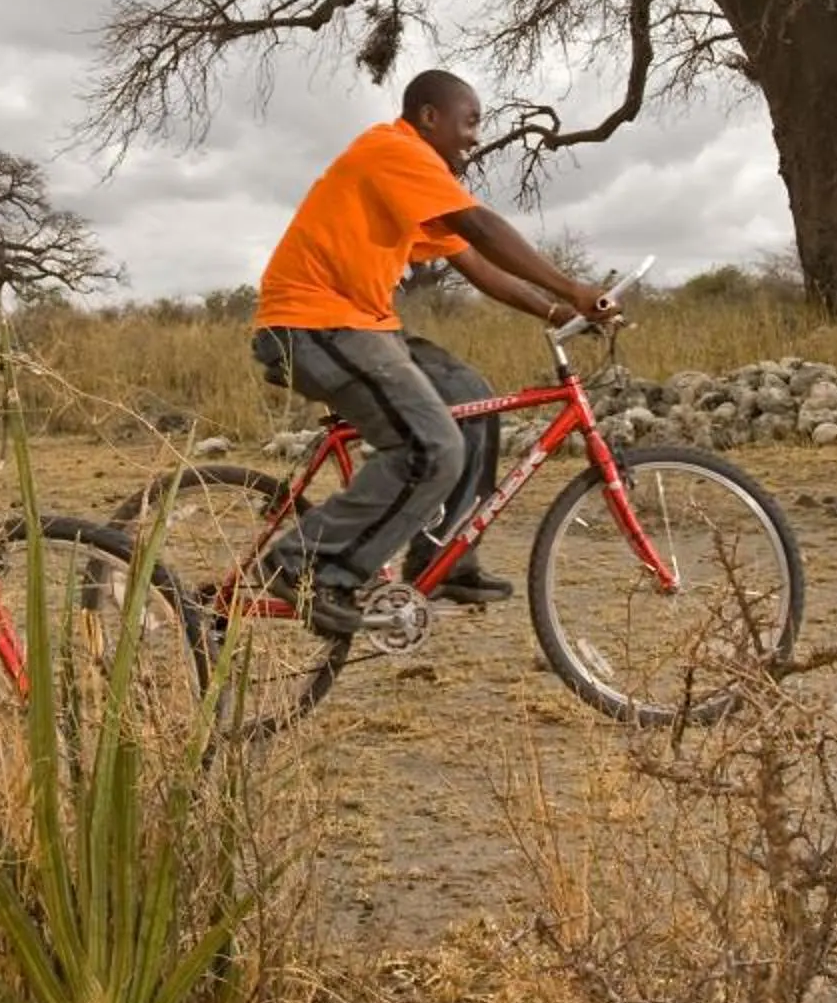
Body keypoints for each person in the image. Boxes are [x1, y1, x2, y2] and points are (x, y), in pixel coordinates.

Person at [249, 69, 614, 637]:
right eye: (469, 122)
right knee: (432, 446)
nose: (474, 137)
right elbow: (481, 226)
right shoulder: (395, 151)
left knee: (472, 399)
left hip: (364, 326)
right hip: (311, 325)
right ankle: (303, 565)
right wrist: (572, 286)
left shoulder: (413, 179)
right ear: (429, 117)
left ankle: (441, 559)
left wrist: (557, 311)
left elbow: (476, 263)